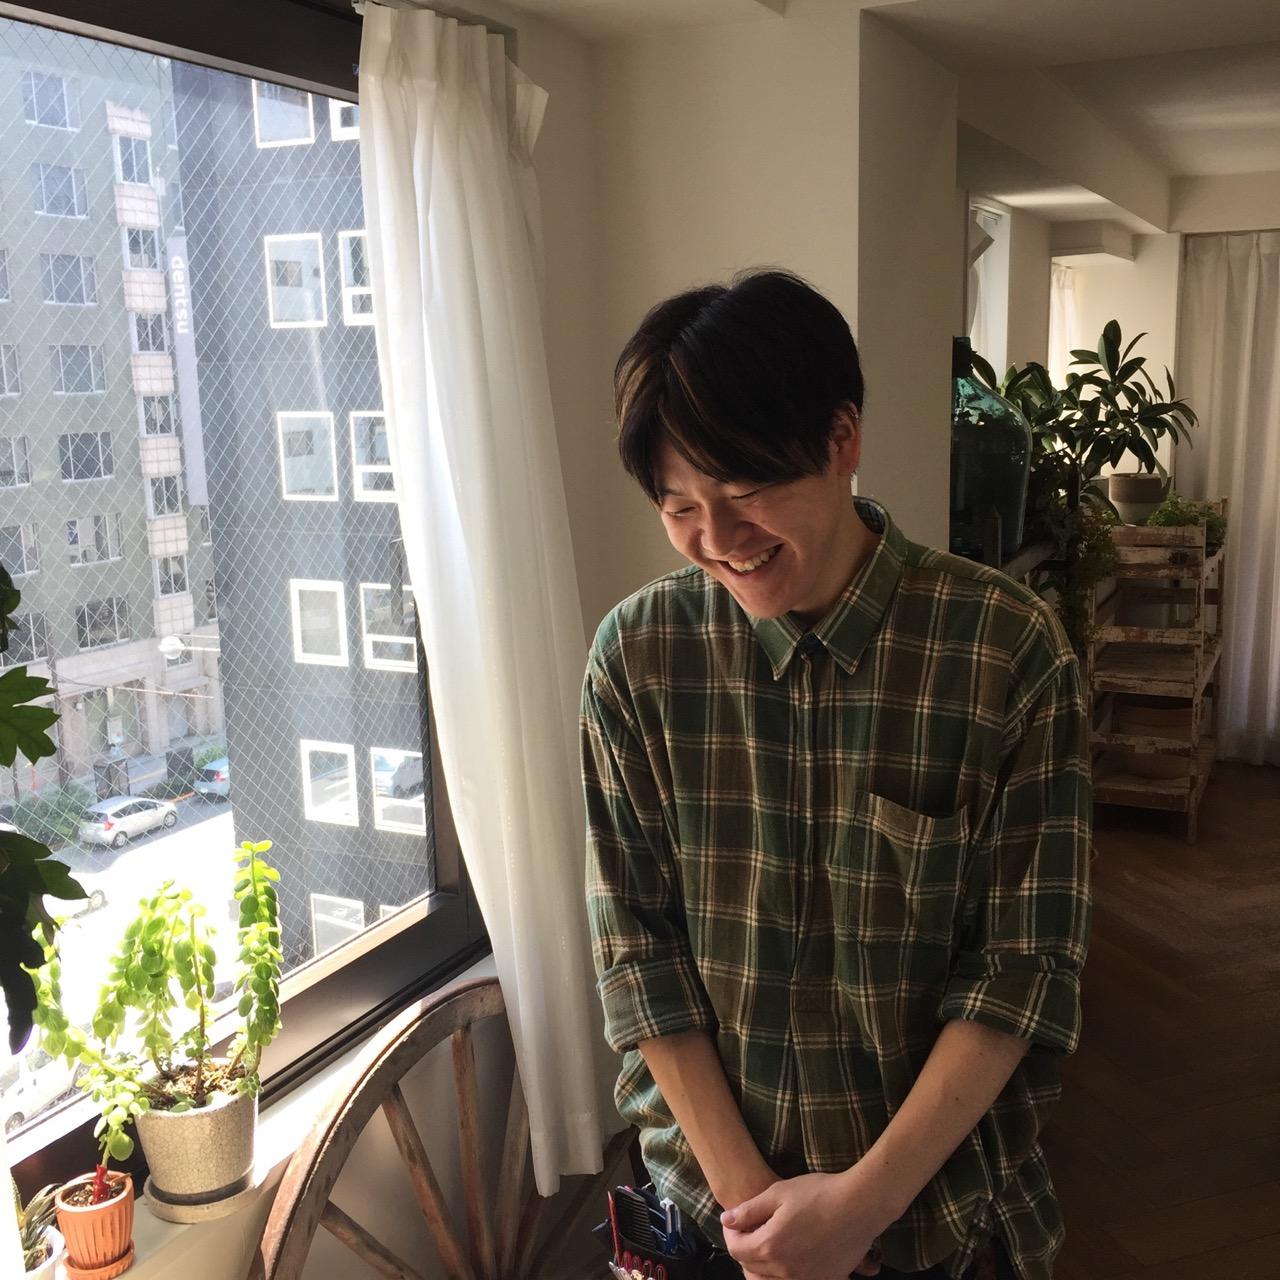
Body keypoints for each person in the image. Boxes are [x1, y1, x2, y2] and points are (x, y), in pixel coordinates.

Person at [581, 270, 1091, 1280]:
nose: (717, 540)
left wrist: (858, 1209)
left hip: (938, 1225)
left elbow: (1021, 967)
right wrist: (762, 1219)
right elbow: (636, 948)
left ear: (841, 437)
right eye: (679, 505)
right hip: (712, 1220)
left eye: (744, 493)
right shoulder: (638, 657)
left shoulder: (1004, 648)